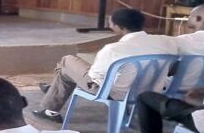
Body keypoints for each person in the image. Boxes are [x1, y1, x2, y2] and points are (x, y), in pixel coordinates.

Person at [34, 8, 179, 123]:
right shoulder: (164, 43)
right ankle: (55, 86)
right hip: (151, 91)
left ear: (119, 27)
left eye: (111, 22)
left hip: (114, 93)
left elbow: (94, 76)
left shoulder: (113, 49)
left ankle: (51, 110)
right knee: (68, 71)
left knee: (67, 61)